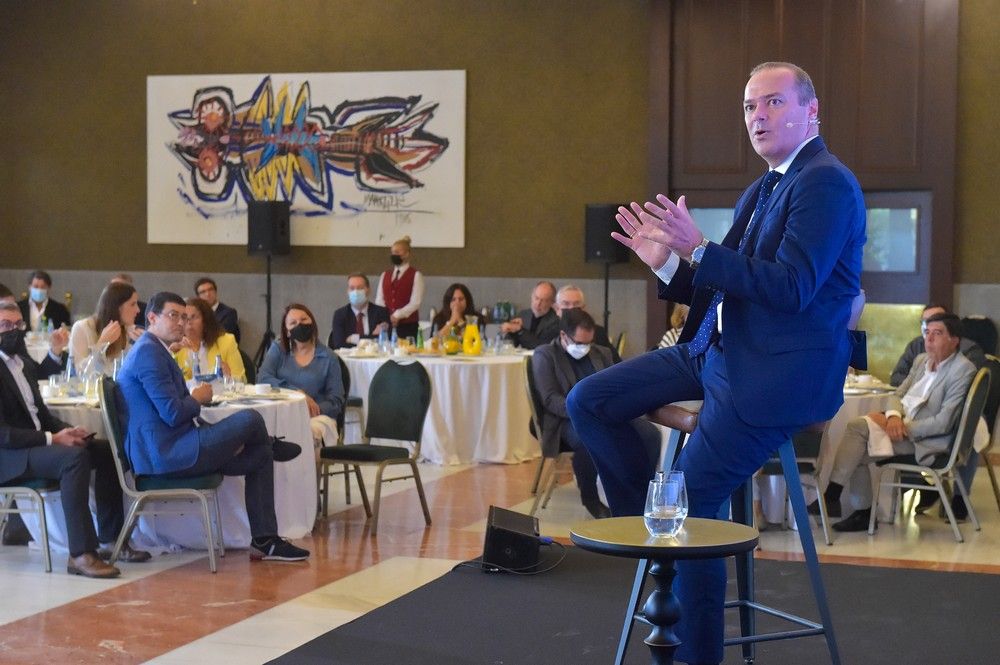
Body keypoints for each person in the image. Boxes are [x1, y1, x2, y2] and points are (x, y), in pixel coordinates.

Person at [566, 62, 865, 665]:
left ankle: (695, 651)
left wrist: (699, 248)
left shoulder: (826, 182)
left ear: (812, 111)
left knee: (692, 512)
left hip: (775, 378)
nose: (758, 116)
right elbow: (726, 286)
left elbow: (791, 287)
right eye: (750, 107)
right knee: (587, 402)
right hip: (714, 351)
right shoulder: (762, 188)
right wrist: (668, 264)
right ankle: (649, 539)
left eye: (773, 103)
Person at [117, 292, 308, 562]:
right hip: (167, 455)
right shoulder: (148, 353)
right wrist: (197, 399)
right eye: (173, 316)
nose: (181, 323)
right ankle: (270, 441)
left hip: (179, 443)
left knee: (261, 455)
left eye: (184, 317)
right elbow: (172, 413)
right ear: (151, 317)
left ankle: (265, 541)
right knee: (250, 418)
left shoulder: (157, 350)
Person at [0, 302, 150, 577]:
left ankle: (111, 539)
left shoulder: (22, 365)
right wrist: (52, 438)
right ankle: (80, 554)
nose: (13, 331)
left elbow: (42, 415)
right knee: (73, 459)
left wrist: (70, 430)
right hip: (10, 456)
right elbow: (4, 434)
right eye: (5, 325)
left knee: (103, 451)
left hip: (33, 444)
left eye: (17, 325)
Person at [817, 313, 977, 532]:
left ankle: (837, 500)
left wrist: (903, 428)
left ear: (954, 339)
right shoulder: (922, 361)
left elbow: (943, 423)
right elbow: (897, 394)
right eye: (926, 333)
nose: (928, 339)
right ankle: (846, 504)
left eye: (937, 334)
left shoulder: (962, 369)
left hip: (929, 441)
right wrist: (892, 417)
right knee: (858, 439)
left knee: (858, 433)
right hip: (902, 426)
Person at [533, 309, 660, 518]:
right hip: (567, 419)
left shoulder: (602, 353)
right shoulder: (545, 355)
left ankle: (644, 493)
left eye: (588, 343)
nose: (584, 348)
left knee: (650, 434)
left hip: (608, 414)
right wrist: (583, 410)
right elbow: (550, 400)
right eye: (580, 343)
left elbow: (619, 386)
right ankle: (592, 500)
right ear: (564, 336)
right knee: (590, 437)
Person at [259, 303, 345, 455]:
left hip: (317, 417)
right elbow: (263, 378)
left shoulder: (329, 357)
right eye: (293, 323)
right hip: (281, 414)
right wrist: (298, 394)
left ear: (312, 323)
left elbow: (336, 400)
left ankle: (308, 478)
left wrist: (310, 409)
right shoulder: (278, 350)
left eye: (304, 320)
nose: (300, 325)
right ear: (287, 332)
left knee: (306, 433)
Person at [889, 304, 985, 386]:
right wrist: (922, 386)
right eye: (925, 322)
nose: (930, 324)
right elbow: (896, 377)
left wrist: (925, 385)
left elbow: (966, 386)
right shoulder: (916, 346)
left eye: (936, 320)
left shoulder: (970, 350)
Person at [68, 282, 142, 375]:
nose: (138, 310)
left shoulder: (127, 331)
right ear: (116, 307)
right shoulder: (82, 328)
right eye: (133, 304)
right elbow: (81, 373)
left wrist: (141, 345)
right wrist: (101, 344)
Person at [172, 298, 246, 382]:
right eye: (185, 317)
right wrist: (172, 352)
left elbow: (242, 380)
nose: (189, 322)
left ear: (205, 320)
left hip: (219, 393)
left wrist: (228, 377)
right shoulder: (177, 347)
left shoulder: (226, 341)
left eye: (194, 317)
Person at [374, 235, 424, 339]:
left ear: (407, 254)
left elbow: (415, 302)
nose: (394, 255)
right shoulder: (385, 275)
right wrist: (386, 317)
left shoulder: (416, 275)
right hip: (387, 325)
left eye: (397, 252)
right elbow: (379, 299)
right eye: (393, 252)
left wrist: (397, 315)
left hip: (408, 326)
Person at [552, 285, 620, 362]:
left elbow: (615, 363)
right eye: (566, 304)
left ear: (583, 308)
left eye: (576, 304)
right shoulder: (548, 334)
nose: (571, 308)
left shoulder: (598, 333)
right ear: (557, 309)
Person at [328, 273, 391, 349]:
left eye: (360, 288)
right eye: (352, 288)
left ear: (368, 290)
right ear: (347, 291)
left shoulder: (381, 312)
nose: (356, 292)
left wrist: (354, 338)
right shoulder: (340, 315)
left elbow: (387, 341)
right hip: (348, 359)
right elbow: (339, 344)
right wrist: (371, 338)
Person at [500, 281, 559, 349]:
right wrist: (511, 330)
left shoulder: (556, 320)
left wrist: (520, 330)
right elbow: (509, 345)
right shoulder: (524, 315)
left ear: (551, 303)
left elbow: (541, 347)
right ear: (532, 296)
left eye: (544, 300)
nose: (538, 303)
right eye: (536, 298)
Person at [194, 277, 240, 343]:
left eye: (210, 290)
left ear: (215, 292)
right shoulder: (196, 314)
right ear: (198, 297)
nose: (207, 294)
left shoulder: (229, 313)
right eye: (203, 292)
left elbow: (220, 336)